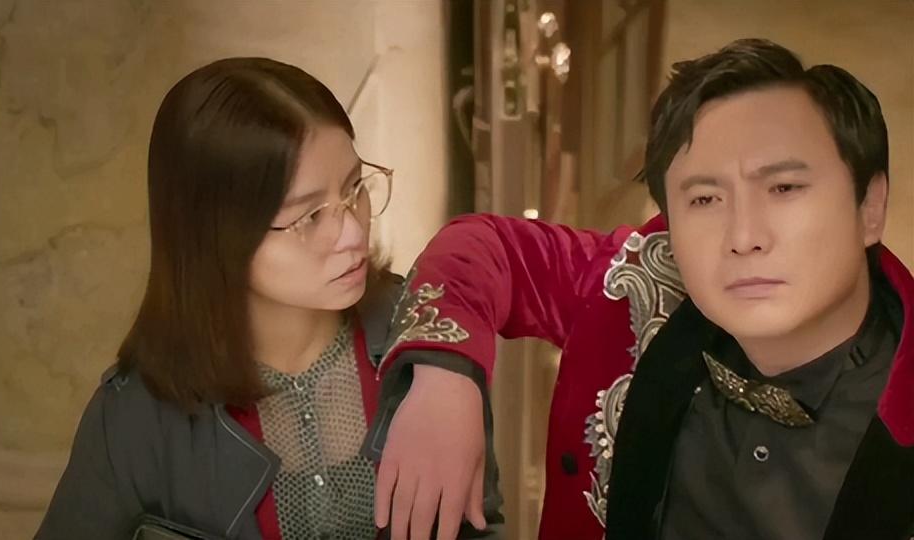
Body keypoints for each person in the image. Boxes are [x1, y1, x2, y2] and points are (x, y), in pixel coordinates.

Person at [373, 39, 914, 539]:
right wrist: (444, 375)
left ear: (870, 207)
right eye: (705, 199)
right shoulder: (640, 281)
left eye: (785, 187)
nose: (744, 237)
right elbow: (484, 246)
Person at [36, 57, 501, 540]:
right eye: (309, 217)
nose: (352, 233)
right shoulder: (134, 419)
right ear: (217, 235)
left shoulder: (428, 345)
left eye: (355, 189)